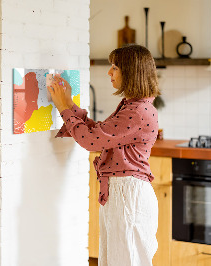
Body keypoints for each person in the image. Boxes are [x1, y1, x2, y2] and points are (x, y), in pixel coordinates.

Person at [48, 44, 160, 266]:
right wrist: (69, 103)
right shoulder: (133, 106)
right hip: (123, 193)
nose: (109, 72)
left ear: (131, 72)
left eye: (115, 67)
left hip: (128, 195)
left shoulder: (137, 111)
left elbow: (91, 141)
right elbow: (99, 133)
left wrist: (63, 108)